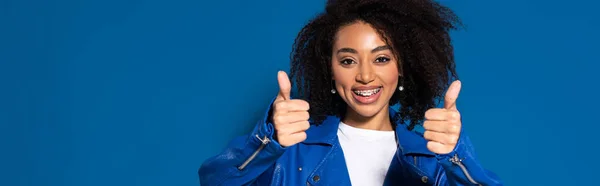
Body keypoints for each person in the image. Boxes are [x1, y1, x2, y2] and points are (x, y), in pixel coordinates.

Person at [198, 0, 502, 185]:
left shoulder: (433, 159)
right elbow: (215, 181)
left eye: (381, 58)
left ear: (403, 68)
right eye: (348, 60)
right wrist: (266, 141)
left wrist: (458, 158)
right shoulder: (290, 151)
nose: (365, 75)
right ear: (330, 68)